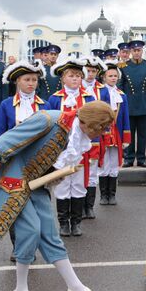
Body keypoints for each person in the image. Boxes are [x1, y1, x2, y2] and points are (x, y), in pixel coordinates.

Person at [0, 102, 115, 291]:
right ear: (90, 123)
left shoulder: (76, 134)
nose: (101, 134)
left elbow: (50, 161)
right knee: (30, 230)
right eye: (101, 129)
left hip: (36, 184)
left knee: (50, 234)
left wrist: (58, 175)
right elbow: (6, 141)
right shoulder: (48, 119)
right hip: (14, 179)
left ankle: (75, 288)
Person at [0, 60, 48, 262]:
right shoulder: (6, 105)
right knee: (14, 206)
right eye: (27, 79)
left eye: (34, 80)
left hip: (38, 163)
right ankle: (17, 248)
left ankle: (31, 248)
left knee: (36, 207)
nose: (31, 83)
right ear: (17, 81)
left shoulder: (46, 104)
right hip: (13, 162)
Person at [47, 57, 97, 237]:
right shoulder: (54, 99)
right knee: (62, 184)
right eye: (71, 75)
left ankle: (76, 222)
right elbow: (48, 123)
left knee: (78, 184)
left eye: (78, 75)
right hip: (61, 150)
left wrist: (94, 148)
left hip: (82, 150)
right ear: (63, 78)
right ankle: (63, 223)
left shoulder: (89, 98)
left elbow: (96, 124)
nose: (75, 79)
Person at [119, 40, 146, 167]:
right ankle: (129, 158)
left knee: (142, 135)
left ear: (142, 51)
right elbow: (120, 88)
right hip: (129, 104)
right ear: (130, 52)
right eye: (134, 50)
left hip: (144, 104)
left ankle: (141, 158)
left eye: (139, 50)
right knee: (129, 134)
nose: (136, 53)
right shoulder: (124, 67)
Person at [98, 62, 130, 205]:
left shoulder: (122, 95)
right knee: (104, 162)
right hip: (103, 133)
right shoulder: (100, 93)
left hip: (116, 133)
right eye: (110, 76)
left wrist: (126, 137)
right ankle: (103, 195)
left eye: (115, 76)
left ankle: (112, 195)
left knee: (114, 163)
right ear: (104, 77)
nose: (113, 78)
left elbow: (125, 117)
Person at [80, 56, 107, 219]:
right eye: (87, 71)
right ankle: (78, 206)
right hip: (80, 134)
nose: (90, 74)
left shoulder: (103, 90)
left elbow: (108, 113)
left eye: (93, 71)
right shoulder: (77, 88)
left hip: (96, 136)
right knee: (77, 171)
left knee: (92, 172)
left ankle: (89, 206)